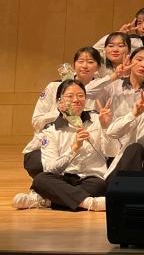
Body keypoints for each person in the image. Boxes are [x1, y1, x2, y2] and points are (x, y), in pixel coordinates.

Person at [14, 80, 113, 211]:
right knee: (40, 180)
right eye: (70, 96)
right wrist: (74, 149)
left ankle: (47, 200)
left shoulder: (98, 119)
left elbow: (111, 153)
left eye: (81, 96)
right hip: (62, 177)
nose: (76, 100)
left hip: (90, 178)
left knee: (99, 186)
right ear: (59, 103)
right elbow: (50, 168)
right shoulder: (50, 130)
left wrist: (106, 128)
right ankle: (90, 203)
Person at [27, 47, 103, 179]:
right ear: (74, 65)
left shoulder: (103, 89)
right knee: (39, 167)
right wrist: (62, 112)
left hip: (85, 148)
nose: (85, 66)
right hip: (53, 143)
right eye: (80, 61)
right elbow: (36, 121)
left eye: (90, 62)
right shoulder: (54, 87)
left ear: (98, 67)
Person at [86, 46, 144, 123]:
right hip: (111, 129)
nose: (143, 64)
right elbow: (86, 91)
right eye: (139, 60)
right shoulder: (114, 85)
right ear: (130, 61)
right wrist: (115, 75)